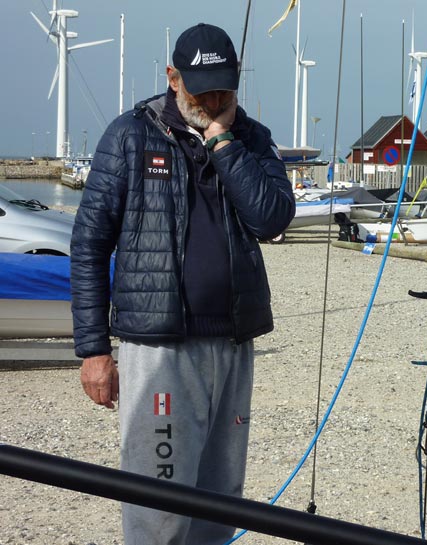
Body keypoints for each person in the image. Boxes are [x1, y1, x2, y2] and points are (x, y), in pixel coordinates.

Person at [70, 23, 295, 545]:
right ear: (173, 78)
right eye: (202, 88)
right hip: (159, 345)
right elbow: (89, 242)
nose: (214, 100)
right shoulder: (130, 134)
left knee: (220, 499)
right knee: (160, 500)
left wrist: (222, 141)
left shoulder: (252, 138)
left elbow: (271, 219)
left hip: (233, 344)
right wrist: (93, 349)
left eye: (225, 88)